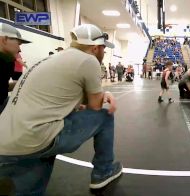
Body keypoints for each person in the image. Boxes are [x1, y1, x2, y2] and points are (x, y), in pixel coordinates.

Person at [0, 24, 122, 195]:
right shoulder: (89, 60)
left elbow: (52, 98)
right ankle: (103, 171)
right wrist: (104, 94)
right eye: (103, 48)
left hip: (6, 143)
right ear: (95, 48)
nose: (104, 52)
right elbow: (95, 106)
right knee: (105, 116)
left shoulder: (49, 59)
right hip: (36, 137)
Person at [0, 23, 31, 114]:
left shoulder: (7, 61)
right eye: (18, 44)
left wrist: (23, 81)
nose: (20, 49)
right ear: (4, 39)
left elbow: (3, 88)